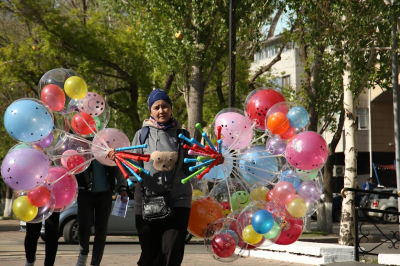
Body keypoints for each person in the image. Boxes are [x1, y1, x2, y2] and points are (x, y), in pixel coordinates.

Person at [131, 89, 192, 266]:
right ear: (150, 111)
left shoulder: (183, 136)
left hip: (178, 200)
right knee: (150, 254)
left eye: (165, 106)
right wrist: (116, 159)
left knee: (173, 253)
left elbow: (192, 168)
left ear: (171, 109)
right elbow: (132, 167)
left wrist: (211, 161)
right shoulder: (142, 135)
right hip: (147, 201)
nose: (161, 111)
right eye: (156, 107)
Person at [75, 159, 128, 266]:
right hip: (85, 192)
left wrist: (123, 187)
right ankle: (83, 253)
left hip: (105, 194)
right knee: (84, 226)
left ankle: (95, 262)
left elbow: (117, 165)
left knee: (101, 230)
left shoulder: (108, 145)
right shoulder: (84, 145)